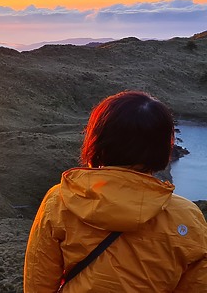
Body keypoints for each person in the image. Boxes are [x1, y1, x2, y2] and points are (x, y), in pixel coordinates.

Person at [24, 91, 207, 292]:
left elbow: (38, 283)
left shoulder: (61, 201)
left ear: (98, 140)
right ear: (163, 146)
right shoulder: (188, 218)